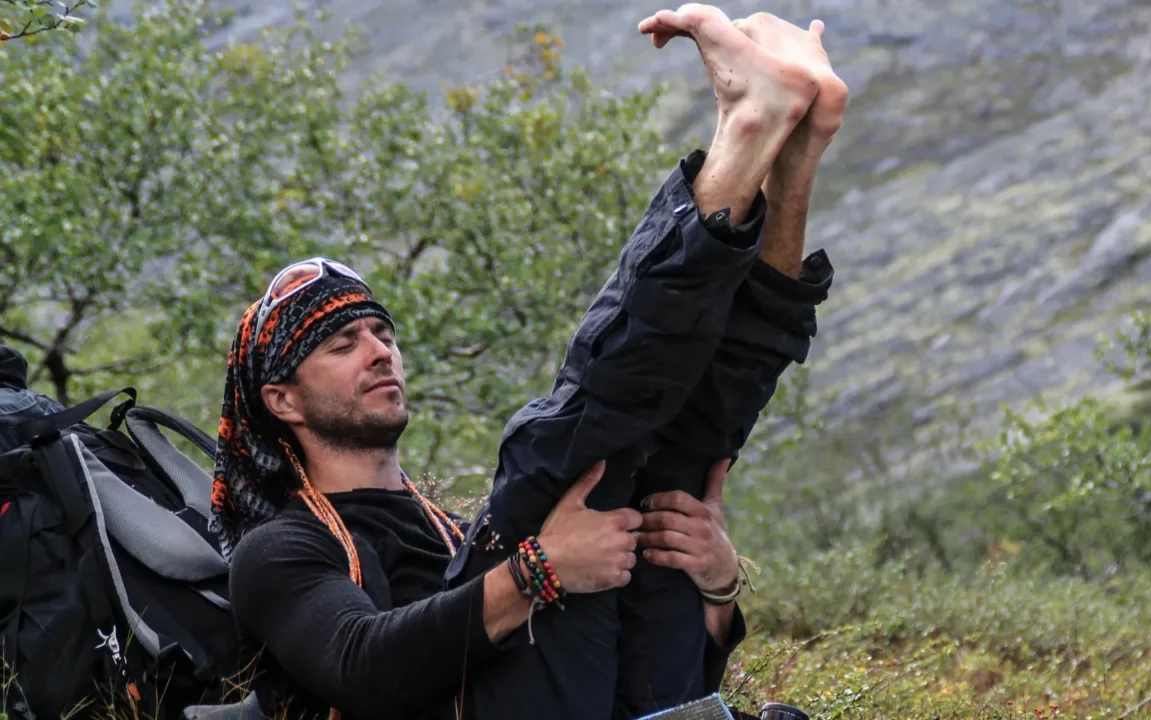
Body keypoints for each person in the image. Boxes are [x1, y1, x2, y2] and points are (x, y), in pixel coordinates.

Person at [218, 6, 847, 719]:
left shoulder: (453, 532)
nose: (380, 352)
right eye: (341, 344)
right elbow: (362, 667)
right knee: (567, 452)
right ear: (282, 401)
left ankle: (793, 157)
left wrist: (717, 585)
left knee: (667, 472)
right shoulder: (277, 550)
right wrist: (536, 572)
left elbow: (626, 663)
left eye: (381, 334)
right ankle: (747, 128)